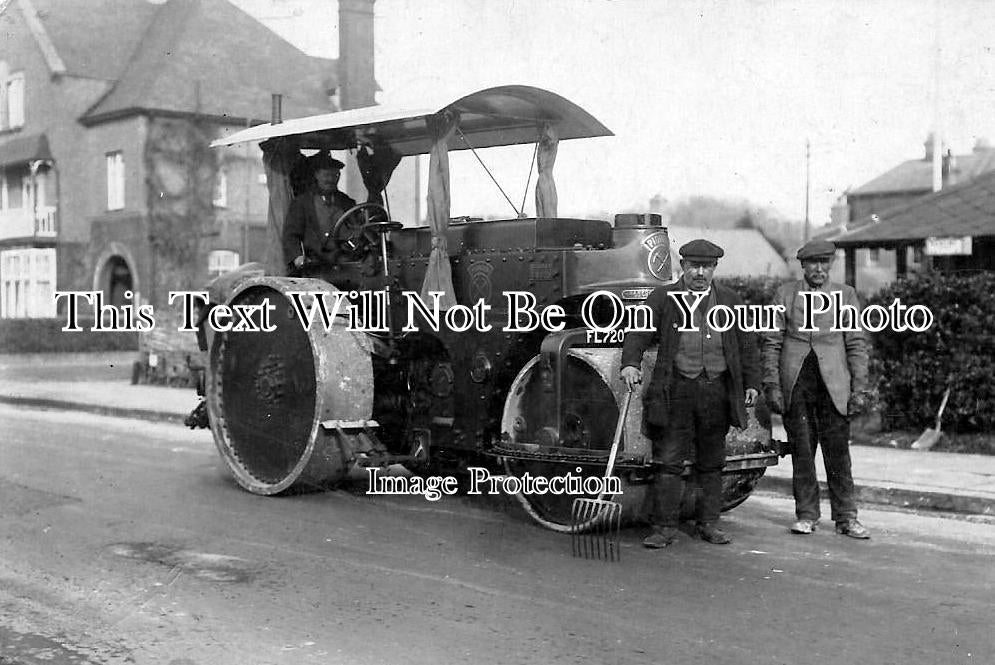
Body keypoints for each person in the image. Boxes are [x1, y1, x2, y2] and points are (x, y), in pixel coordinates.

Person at [621, 239, 760, 548]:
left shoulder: (730, 301)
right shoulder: (663, 298)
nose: (700, 273)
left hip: (716, 391)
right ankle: (664, 528)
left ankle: (709, 524)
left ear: (714, 269)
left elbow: (747, 346)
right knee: (668, 460)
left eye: (707, 267)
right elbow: (639, 332)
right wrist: (630, 363)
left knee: (712, 461)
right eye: (694, 266)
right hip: (676, 389)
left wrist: (752, 383)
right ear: (681, 266)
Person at [762, 239, 871, 539]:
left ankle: (847, 517)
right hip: (796, 384)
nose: (819, 269)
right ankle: (807, 514)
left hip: (834, 387)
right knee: (802, 451)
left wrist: (859, 388)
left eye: (825, 263)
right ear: (803, 266)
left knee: (838, 454)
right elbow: (772, 342)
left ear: (831, 265)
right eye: (813, 263)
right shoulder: (784, 295)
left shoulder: (845, 295)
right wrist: (772, 384)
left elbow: (856, 344)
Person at [281, 153, 357, 275]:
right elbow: (291, 236)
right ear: (316, 175)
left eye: (335, 175)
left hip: (343, 265)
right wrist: (298, 258)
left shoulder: (347, 202)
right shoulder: (302, 203)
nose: (331, 179)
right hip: (313, 266)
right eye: (327, 175)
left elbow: (356, 230)